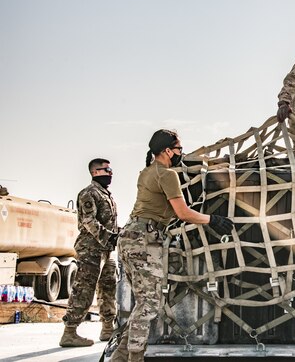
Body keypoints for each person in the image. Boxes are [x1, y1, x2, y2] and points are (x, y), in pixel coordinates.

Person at [111, 129, 234, 362]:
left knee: (143, 304)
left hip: (131, 237)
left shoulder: (146, 172)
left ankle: (119, 357)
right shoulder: (167, 174)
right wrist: (213, 220)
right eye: (178, 149)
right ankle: (134, 358)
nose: (181, 153)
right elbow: (183, 212)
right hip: (144, 242)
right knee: (149, 304)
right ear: (167, 151)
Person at [60, 158, 118, 347]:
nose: (110, 173)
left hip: (106, 250)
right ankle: (70, 332)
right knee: (84, 289)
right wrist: (110, 237)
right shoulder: (89, 193)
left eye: (110, 169)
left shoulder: (106, 194)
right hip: (91, 249)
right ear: (94, 172)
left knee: (108, 287)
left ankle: (108, 328)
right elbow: (89, 222)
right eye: (106, 169)